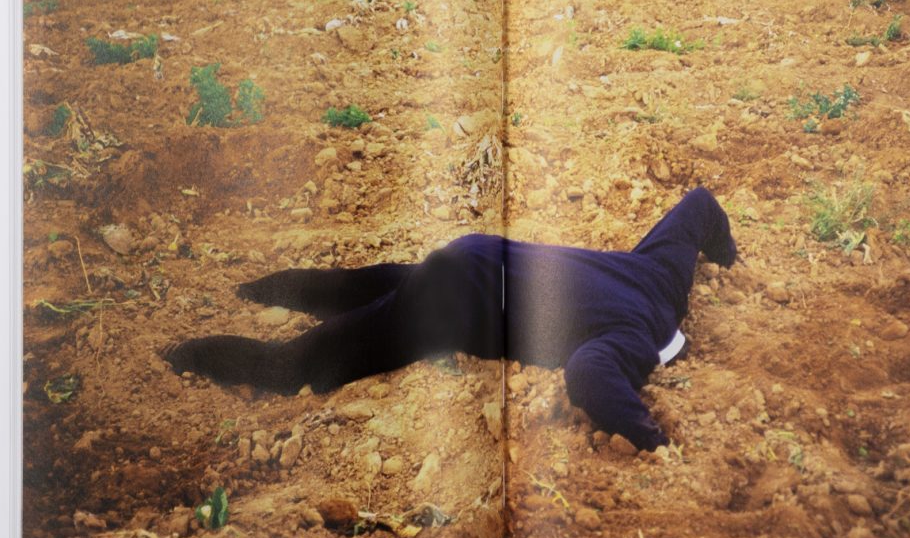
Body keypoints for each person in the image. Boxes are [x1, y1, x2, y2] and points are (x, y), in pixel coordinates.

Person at [166, 186, 738, 451]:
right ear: (659, 349)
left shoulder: (660, 277)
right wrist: (652, 440)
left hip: (480, 252)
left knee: (376, 288)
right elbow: (591, 377)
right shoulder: (631, 335)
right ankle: (181, 355)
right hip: (451, 298)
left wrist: (725, 254)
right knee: (294, 365)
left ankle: (267, 287)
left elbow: (699, 206)